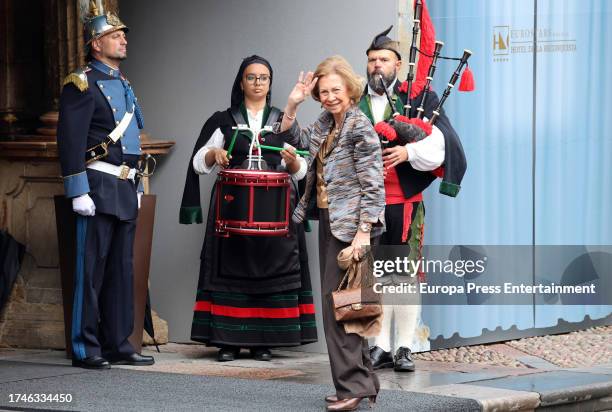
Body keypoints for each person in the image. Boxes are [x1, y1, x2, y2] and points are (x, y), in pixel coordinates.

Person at [179, 55, 317, 362]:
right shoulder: (222, 120)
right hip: (231, 210)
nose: (257, 83)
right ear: (241, 82)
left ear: (270, 84)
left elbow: (302, 170)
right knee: (232, 271)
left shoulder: (284, 121)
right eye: (251, 77)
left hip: (277, 210)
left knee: (271, 270)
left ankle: (263, 342)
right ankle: (227, 341)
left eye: (263, 78)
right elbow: (198, 163)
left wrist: (294, 161)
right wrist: (214, 154)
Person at [280, 56, 385, 412]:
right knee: (347, 306)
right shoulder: (328, 122)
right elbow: (297, 139)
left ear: (350, 90)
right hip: (330, 221)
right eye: (323, 91)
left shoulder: (360, 127)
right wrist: (293, 103)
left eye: (335, 90)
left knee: (342, 308)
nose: (329, 97)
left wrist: (363, 235)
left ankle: (353, 387)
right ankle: (361, 383)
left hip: (352, 228)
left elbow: (374, 187)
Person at [360, 25, 466, 372]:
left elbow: (441, 146)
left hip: (404, 201)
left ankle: (404, 346)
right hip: (366, 203)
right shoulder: (355, 100)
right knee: (375, 275)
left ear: (397, 63)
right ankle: (379, 345)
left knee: (401, 275)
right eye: (372, 60)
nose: (377, 65)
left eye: (384, 60)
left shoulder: (420, 98)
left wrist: (407, 152)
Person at [56, 3, 154, 369]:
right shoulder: (81, 83)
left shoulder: (124, 83)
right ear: (96, 44)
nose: (124, 39)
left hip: (125, 186)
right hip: (96, 185)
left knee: (120, 270)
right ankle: (86, 345)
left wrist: (139, 186)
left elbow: (132, 141)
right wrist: (77, 189)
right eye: (115, 35)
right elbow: (70, 140)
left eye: (123, 34)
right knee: (91, 269)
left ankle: (119, 342)